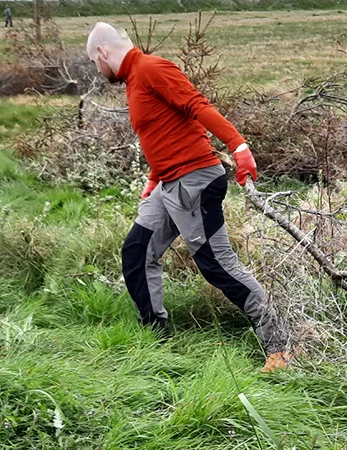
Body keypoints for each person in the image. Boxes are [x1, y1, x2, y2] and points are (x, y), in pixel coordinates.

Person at [85, 23, 290, 372]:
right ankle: (155, 337)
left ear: (103, 52)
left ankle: (281, 345)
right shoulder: (135, 80)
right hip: (168, 184)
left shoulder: (151, 68)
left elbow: (196, 106)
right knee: (137, 251)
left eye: (94, 62)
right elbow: (164, 131)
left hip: (193, 180)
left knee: (216, 263)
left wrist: (239, 146)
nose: (97, 70)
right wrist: (153, 179)